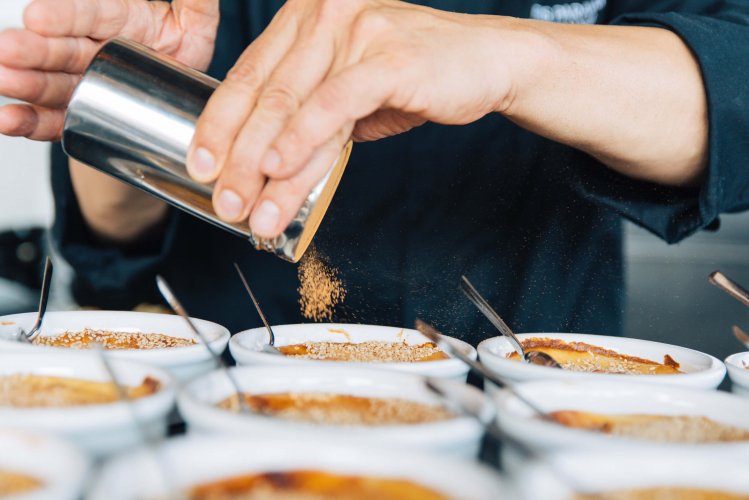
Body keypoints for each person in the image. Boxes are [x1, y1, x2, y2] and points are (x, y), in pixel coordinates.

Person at [0, 0, 747, 344]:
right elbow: (114, 251)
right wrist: (123, 105)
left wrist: (509, 58)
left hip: (547, 403)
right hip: (238, 423)